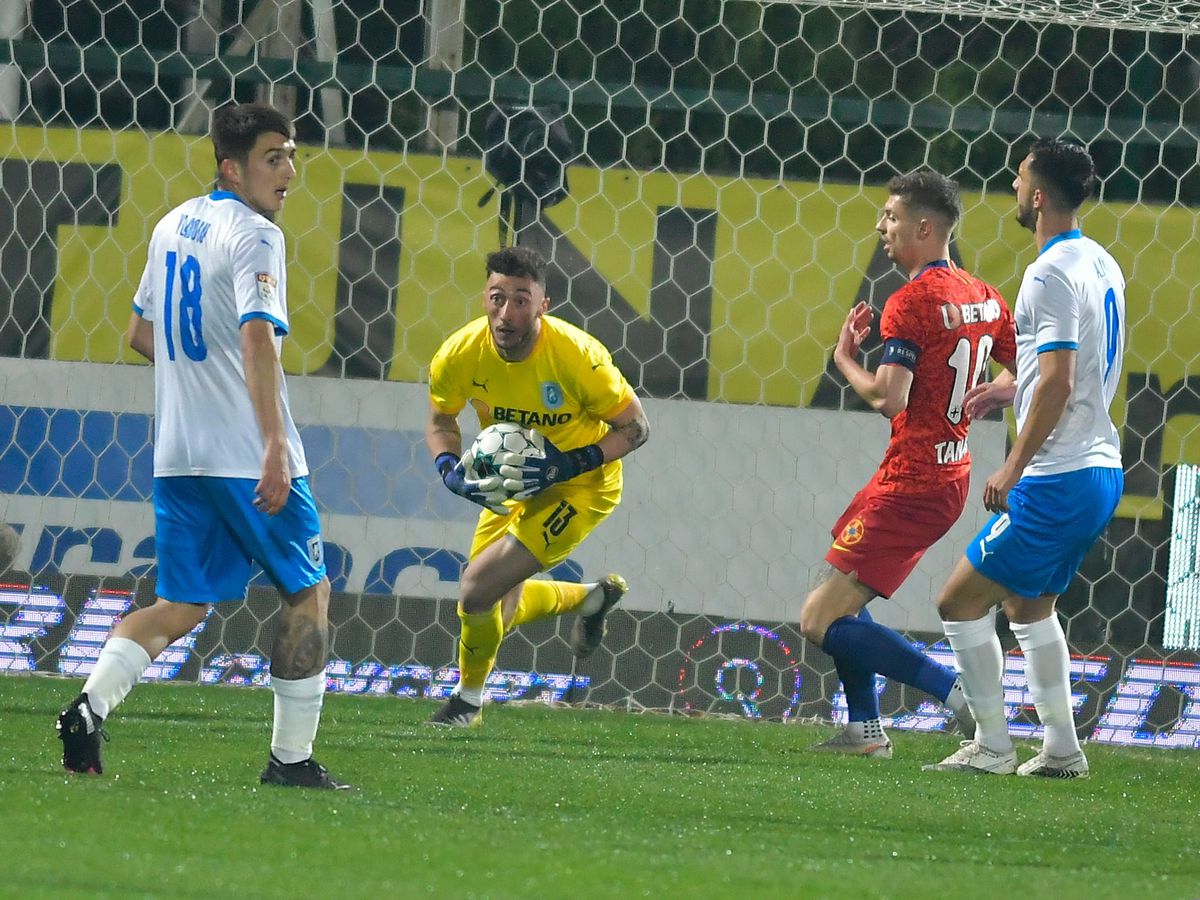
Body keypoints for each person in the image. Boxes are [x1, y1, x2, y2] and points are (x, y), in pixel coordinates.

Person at [55, 103, 347, 789]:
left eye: (292, 156)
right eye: (274, 158)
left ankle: (87, 708)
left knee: (182, 607)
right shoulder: (256, 235)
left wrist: (196, 380)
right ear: (231, 166)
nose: (289, 172)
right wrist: (273, 444)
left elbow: (138, 333)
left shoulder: (171, 224)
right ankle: (292, 761)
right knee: (309, 594)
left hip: (180, 453)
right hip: (247, 452)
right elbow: (256, 338)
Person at [799, 169, 1017, 758]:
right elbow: (1026, 369)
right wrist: (1000, 389)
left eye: (891, 218)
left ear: (925, 228)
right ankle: (866, 730)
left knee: (818, 621)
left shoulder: (911, 302)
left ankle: (958, 696)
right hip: (947, 472)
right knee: (835, 592)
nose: (882, 226)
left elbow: (886, 397)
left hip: (911, 482)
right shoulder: (983, 295)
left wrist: (845, 357)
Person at [925, 139, 1124, 779]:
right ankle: (1062, 750)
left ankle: (991, 745)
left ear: (1038, 195)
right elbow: (1082, 370)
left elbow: (1062, 381)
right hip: (1100, 469)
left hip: (1056, 475)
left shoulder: (1048, 273)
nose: (1012, 186)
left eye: (1018, 177)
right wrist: (1019, 386)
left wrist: (1012, 466)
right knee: (1029, 607)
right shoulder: (1100, 261)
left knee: (957, 602)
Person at [426, 245, 650, 728]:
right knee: (489, 602)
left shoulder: (578, 357)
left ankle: (466, 703)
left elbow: (636, 429)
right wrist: (447, 465)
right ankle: (589, 598)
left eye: (521, 300)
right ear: (484, 297)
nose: (506, 313)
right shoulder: (460, 354)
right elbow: (442, 417)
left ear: (543, 304)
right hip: (516, 484)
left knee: (475, 589)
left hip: (581, 486)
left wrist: (567, 465)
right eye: (496, 297)